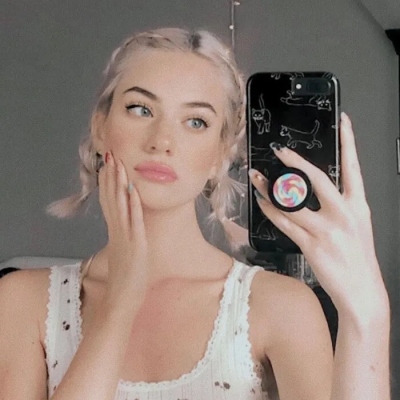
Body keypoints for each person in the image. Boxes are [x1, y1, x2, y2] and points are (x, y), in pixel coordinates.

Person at [0, 27, 390, 400]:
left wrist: (367, 316)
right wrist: (120, 302)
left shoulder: (279, 307)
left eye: (196, 121)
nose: (162, 141)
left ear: (221, 153)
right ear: (100, 127)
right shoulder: (23, 301)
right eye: (140, 109)